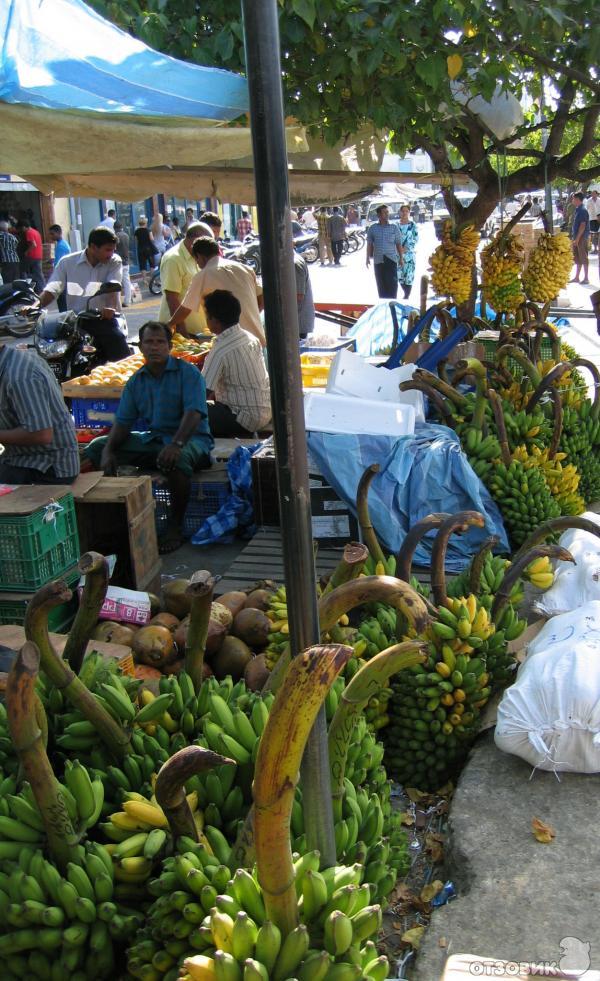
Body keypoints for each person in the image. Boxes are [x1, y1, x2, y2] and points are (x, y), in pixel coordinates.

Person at [84, 321, 213, 553]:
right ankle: (113, 522)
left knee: (178, 458)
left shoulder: (188, 373)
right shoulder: (136, 381)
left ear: (169, 346)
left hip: (192, 441)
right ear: (141, 347)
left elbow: (194, 413)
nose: (155, 347)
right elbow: (123, 422)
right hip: (154, 441)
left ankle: (175, 527)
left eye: (160, 342)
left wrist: (176, 443)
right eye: (149, 342)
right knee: (96, 447)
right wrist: (108, 450)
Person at [36, 226, 129, 362]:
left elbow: (113, 287)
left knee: (120, 354)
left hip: (103, 319)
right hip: (75, 321)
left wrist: (110, 308)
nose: (111, 254)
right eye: (107, 250)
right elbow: (53, 288)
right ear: (92, 247)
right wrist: (35, 306)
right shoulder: (67, 262)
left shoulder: (114, 261)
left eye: (113, 250)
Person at [0, 345, 79, 484]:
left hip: (47, 467)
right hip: (20, 459)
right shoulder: (10, 361)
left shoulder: (20, 377)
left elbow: (41, 434)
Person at [171, 237, 266, 346]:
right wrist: (248, 316)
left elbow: (185, 309)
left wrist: (168, 325)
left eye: (196, 260)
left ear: (200, 257)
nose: (198, 265)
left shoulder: (203, 276)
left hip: (232, 343)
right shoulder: (245, 268)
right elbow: (262, 301)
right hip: (257, 339)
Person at [202, 290, 271, 437]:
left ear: (214, 320)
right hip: (265, 411)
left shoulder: (220, 350)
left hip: (244, 419)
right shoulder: (250, 338)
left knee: (188, 412)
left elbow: (203, 392)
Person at [158, 222, 215, 338]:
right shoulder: (173, 259)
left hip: (200, 330)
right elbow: (171, 298)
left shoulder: (199, 256)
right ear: (196, 239)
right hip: (183, 332)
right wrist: (181, 330)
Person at [366, 205, 403, 299]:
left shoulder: (394, 227)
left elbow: (398, 243)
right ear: (379, 215)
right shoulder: (373, 228)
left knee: (392, 285)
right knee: (381, 285)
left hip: (391, 260)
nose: (387, 214)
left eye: (387, 212)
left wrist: (401, 258)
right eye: (384, 212)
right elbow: (369, 244)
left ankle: (392, 304)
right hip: (378, 261)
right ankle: (383, 304)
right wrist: (367, 258)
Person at [396, 204, 418, 300]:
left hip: (409, 255)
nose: (404, 213)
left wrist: (406, 248)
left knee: (409, 277)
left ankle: (407, 295)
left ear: (409, 213)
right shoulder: (396, 225)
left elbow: (415, 238)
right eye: (403, 211)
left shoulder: (413, 225)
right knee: (400, 275)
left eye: (406, 211)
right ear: (400, 212)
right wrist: (399, 248)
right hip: (398, 255)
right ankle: (405, 293)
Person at [48, 224, 71, 312]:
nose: (51, 236)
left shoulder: (61, 246)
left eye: (52, 234)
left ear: (59, 233)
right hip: (64, 274)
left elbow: (59, 263)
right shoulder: (62, 244)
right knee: (62, 298)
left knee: (61, 299)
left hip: (62, 275)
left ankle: (64, 317)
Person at [16, 220, 44, 292]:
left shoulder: (29, 232)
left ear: (24, 227)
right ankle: (40, 289)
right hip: (38, 256)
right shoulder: (36, 232)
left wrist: (26, 252)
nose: (21, 231)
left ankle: (25, 288)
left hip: (32, 256)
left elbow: (33, 244)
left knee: (22, 270)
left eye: (20, 229)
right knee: (38, 274)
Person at [570, 192, 590, 284]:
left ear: (577, 199)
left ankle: (586, 278)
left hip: (581, 237)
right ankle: (577, 277)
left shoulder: (582, 210)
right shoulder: (578, 210)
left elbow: (582, 226)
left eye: (573, 199)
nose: (572, 200)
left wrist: (577, 239)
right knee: (577, 258)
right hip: (577, 237)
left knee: (584, 257)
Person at [294, 252, 315, 340]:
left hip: (298, 321)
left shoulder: (294, 264)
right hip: (298, 320)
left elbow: (298, 295)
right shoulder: (295, 260)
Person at [133, 216, 157, 283]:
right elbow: (152, 239)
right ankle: (152, 278)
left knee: (142, 264)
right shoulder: (148, 230)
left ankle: (144, 279)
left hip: (140, 249)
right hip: (149, 249)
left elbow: (136, 241)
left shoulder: (136, 231)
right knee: (152, 264)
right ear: (145, 223)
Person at [113, 221, 132, 307]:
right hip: (126, 261)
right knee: (127, 281)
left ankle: (117, 303)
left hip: (117, 262)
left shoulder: (115, 236)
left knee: (117, 283)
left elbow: (114, 249)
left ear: (114, 228)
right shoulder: (126, 235)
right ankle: (127, 300)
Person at [0, 220, 20, 284]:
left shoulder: (0, 236)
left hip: (6, 261)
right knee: (15, 280)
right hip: (15, 260)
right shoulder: (13, 237)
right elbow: (16, 247)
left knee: (7, 280)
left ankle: (8, 293)